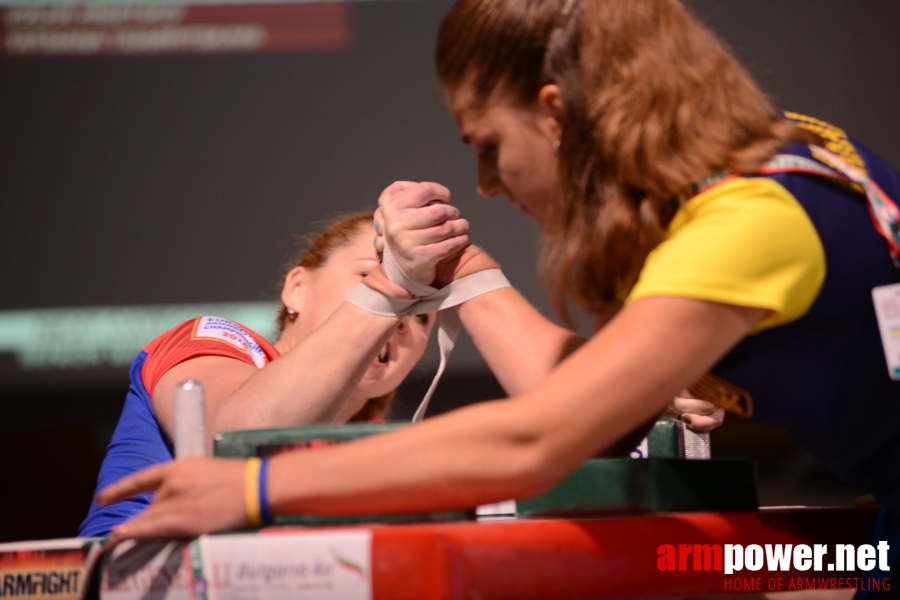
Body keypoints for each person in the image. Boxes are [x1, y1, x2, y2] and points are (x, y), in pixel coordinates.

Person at [97, 1, 899, 582]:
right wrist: (450, 272)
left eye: (488, 146)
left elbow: (540, 437)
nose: (484, 184)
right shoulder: (780, 159)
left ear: (555, 115)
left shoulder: (743, 224)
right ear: (295, 288)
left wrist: (251, 486)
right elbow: (583, 410)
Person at [79, 210, 465, 537]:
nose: (399, 318)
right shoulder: (214, 340)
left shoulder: (376, 447)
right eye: (370, 277)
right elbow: (238, 440)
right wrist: (389, 290)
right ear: (296, 288)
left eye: (422, 315)